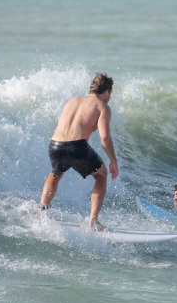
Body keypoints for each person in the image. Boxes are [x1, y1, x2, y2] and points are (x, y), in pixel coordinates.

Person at [39, 73, 119, 231]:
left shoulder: (72, 100)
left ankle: (42, 213)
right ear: (107, 91)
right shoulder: (102, 107)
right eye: (110, 93)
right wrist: (113, 161)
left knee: (54, 175)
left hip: (55, 144)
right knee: (101, 176)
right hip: (77, 146)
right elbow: (104, 138)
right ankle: (93, 223)